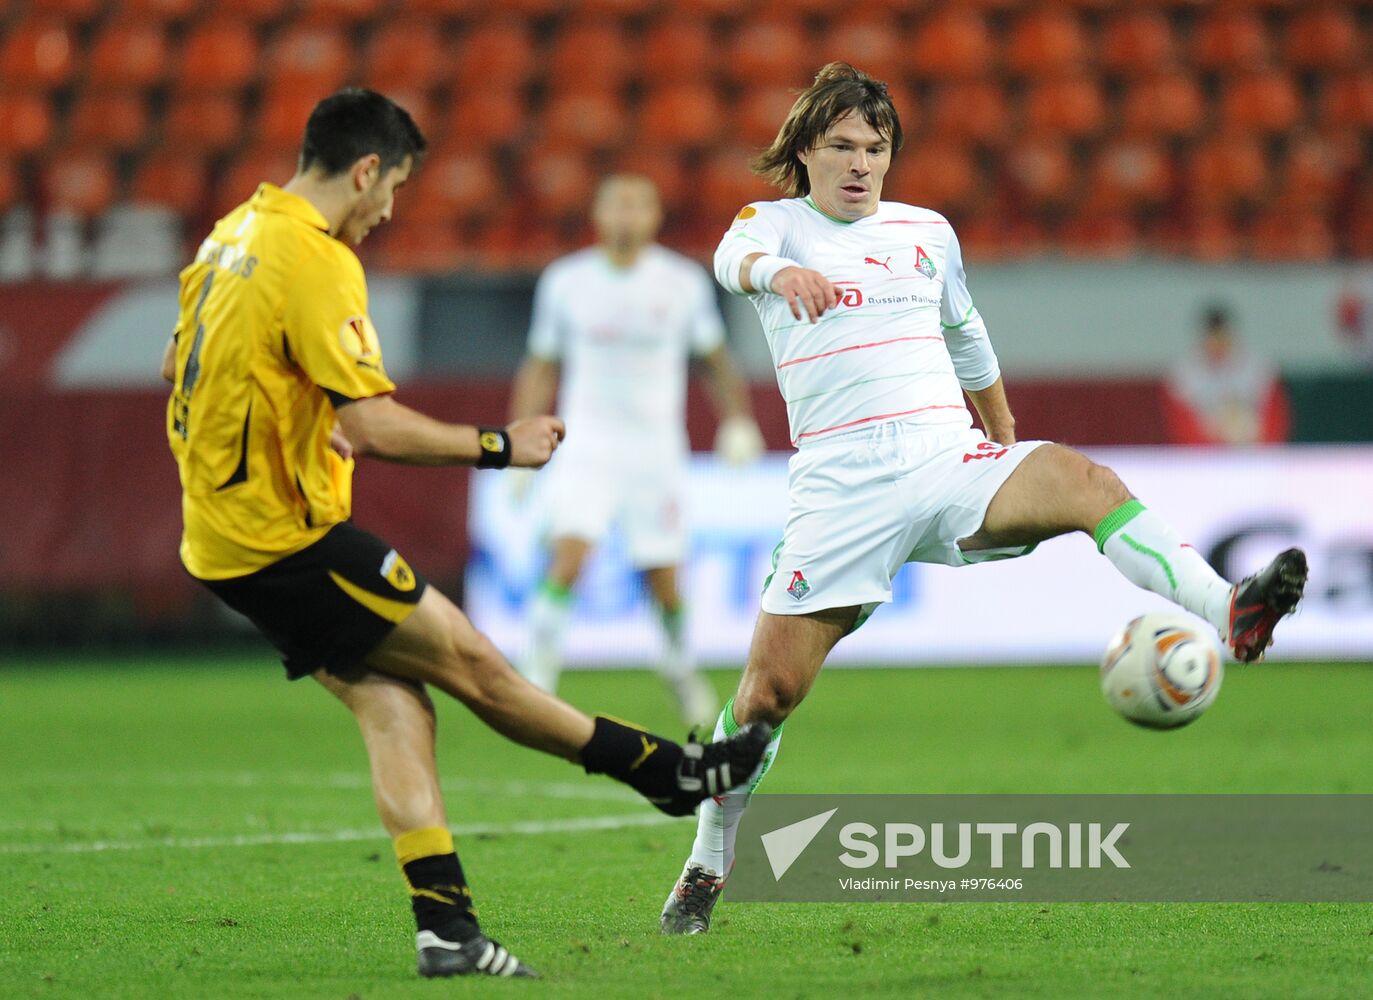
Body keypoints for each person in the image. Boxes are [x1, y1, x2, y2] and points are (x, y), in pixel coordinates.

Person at [658, 63, 1308, 935]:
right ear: (806, 151)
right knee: (768, 696)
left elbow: (966, 333)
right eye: (842, 147)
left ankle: (1227, 609)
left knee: (1088, 483)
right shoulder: (773, 226)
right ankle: (707, 862)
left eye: (875, 148)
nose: (859, 164)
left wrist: (1002, 430)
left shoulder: (926, 231)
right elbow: (729, 257)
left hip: (946, 456)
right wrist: (778, 276)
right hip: (841, 489)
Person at [158, 89, 770, 979]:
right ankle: (670, 774)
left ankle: (447, 932)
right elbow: (373, 428)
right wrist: (500, 446)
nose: (390, 211)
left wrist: (280, 414)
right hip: (284, 537)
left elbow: (181, 364)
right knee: (478, 668)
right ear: (366, 170)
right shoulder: (314, 259)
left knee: (392, 705)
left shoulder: (230, 236)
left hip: (218, 537)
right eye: (394, 188)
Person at [509, 174, 765, 725]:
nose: (627, 216)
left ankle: (677, 664)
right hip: (588, 444)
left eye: (638, 206)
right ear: (598, 215)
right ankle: (537, 673)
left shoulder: (680, 283)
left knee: (664, 580)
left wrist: (739, 421)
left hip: (655, 451)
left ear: (654, 216)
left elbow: (715, 358)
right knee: (570, 553)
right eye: (617, 205)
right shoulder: (566, 282)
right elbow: (541, 363)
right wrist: (518, 437)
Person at [1163, 305, 1290, 445]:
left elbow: (1276, 420)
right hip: (1204, 457)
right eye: (1212, 339)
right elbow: (1182, 427)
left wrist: (1257, 445)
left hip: (1254, 452)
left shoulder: (1258, 368)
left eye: (1222, 338)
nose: (1218, 346)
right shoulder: (1184, 374)